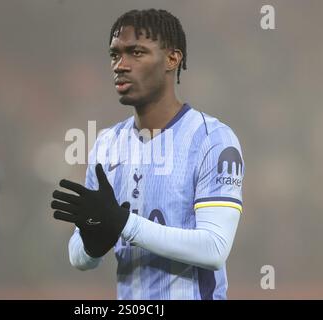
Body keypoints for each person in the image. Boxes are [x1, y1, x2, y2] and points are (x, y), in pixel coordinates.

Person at [51, 9, 245, 300]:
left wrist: (122, 223)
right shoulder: (106, 144)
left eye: (136, 52)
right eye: (115, 55)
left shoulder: (212, 139)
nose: (120, 65)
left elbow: (215, 248)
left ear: (172, 58)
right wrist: (93, 240)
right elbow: (79, 258)